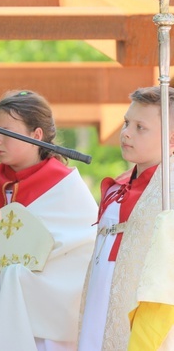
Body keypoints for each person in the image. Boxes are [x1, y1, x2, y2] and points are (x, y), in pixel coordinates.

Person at [0, 90, 97, 351]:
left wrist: (16, 277)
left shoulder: (66, 188)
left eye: (6, 132)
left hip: (48, 323)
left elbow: (83, 255)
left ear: (36, 135)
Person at [78, 86, 174, 350]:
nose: (126, 133)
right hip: (98, 309)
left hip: (147, 320)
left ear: (171, 139)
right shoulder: (118, 188)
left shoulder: (170, 193)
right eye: (126, 123)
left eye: (140, 127)